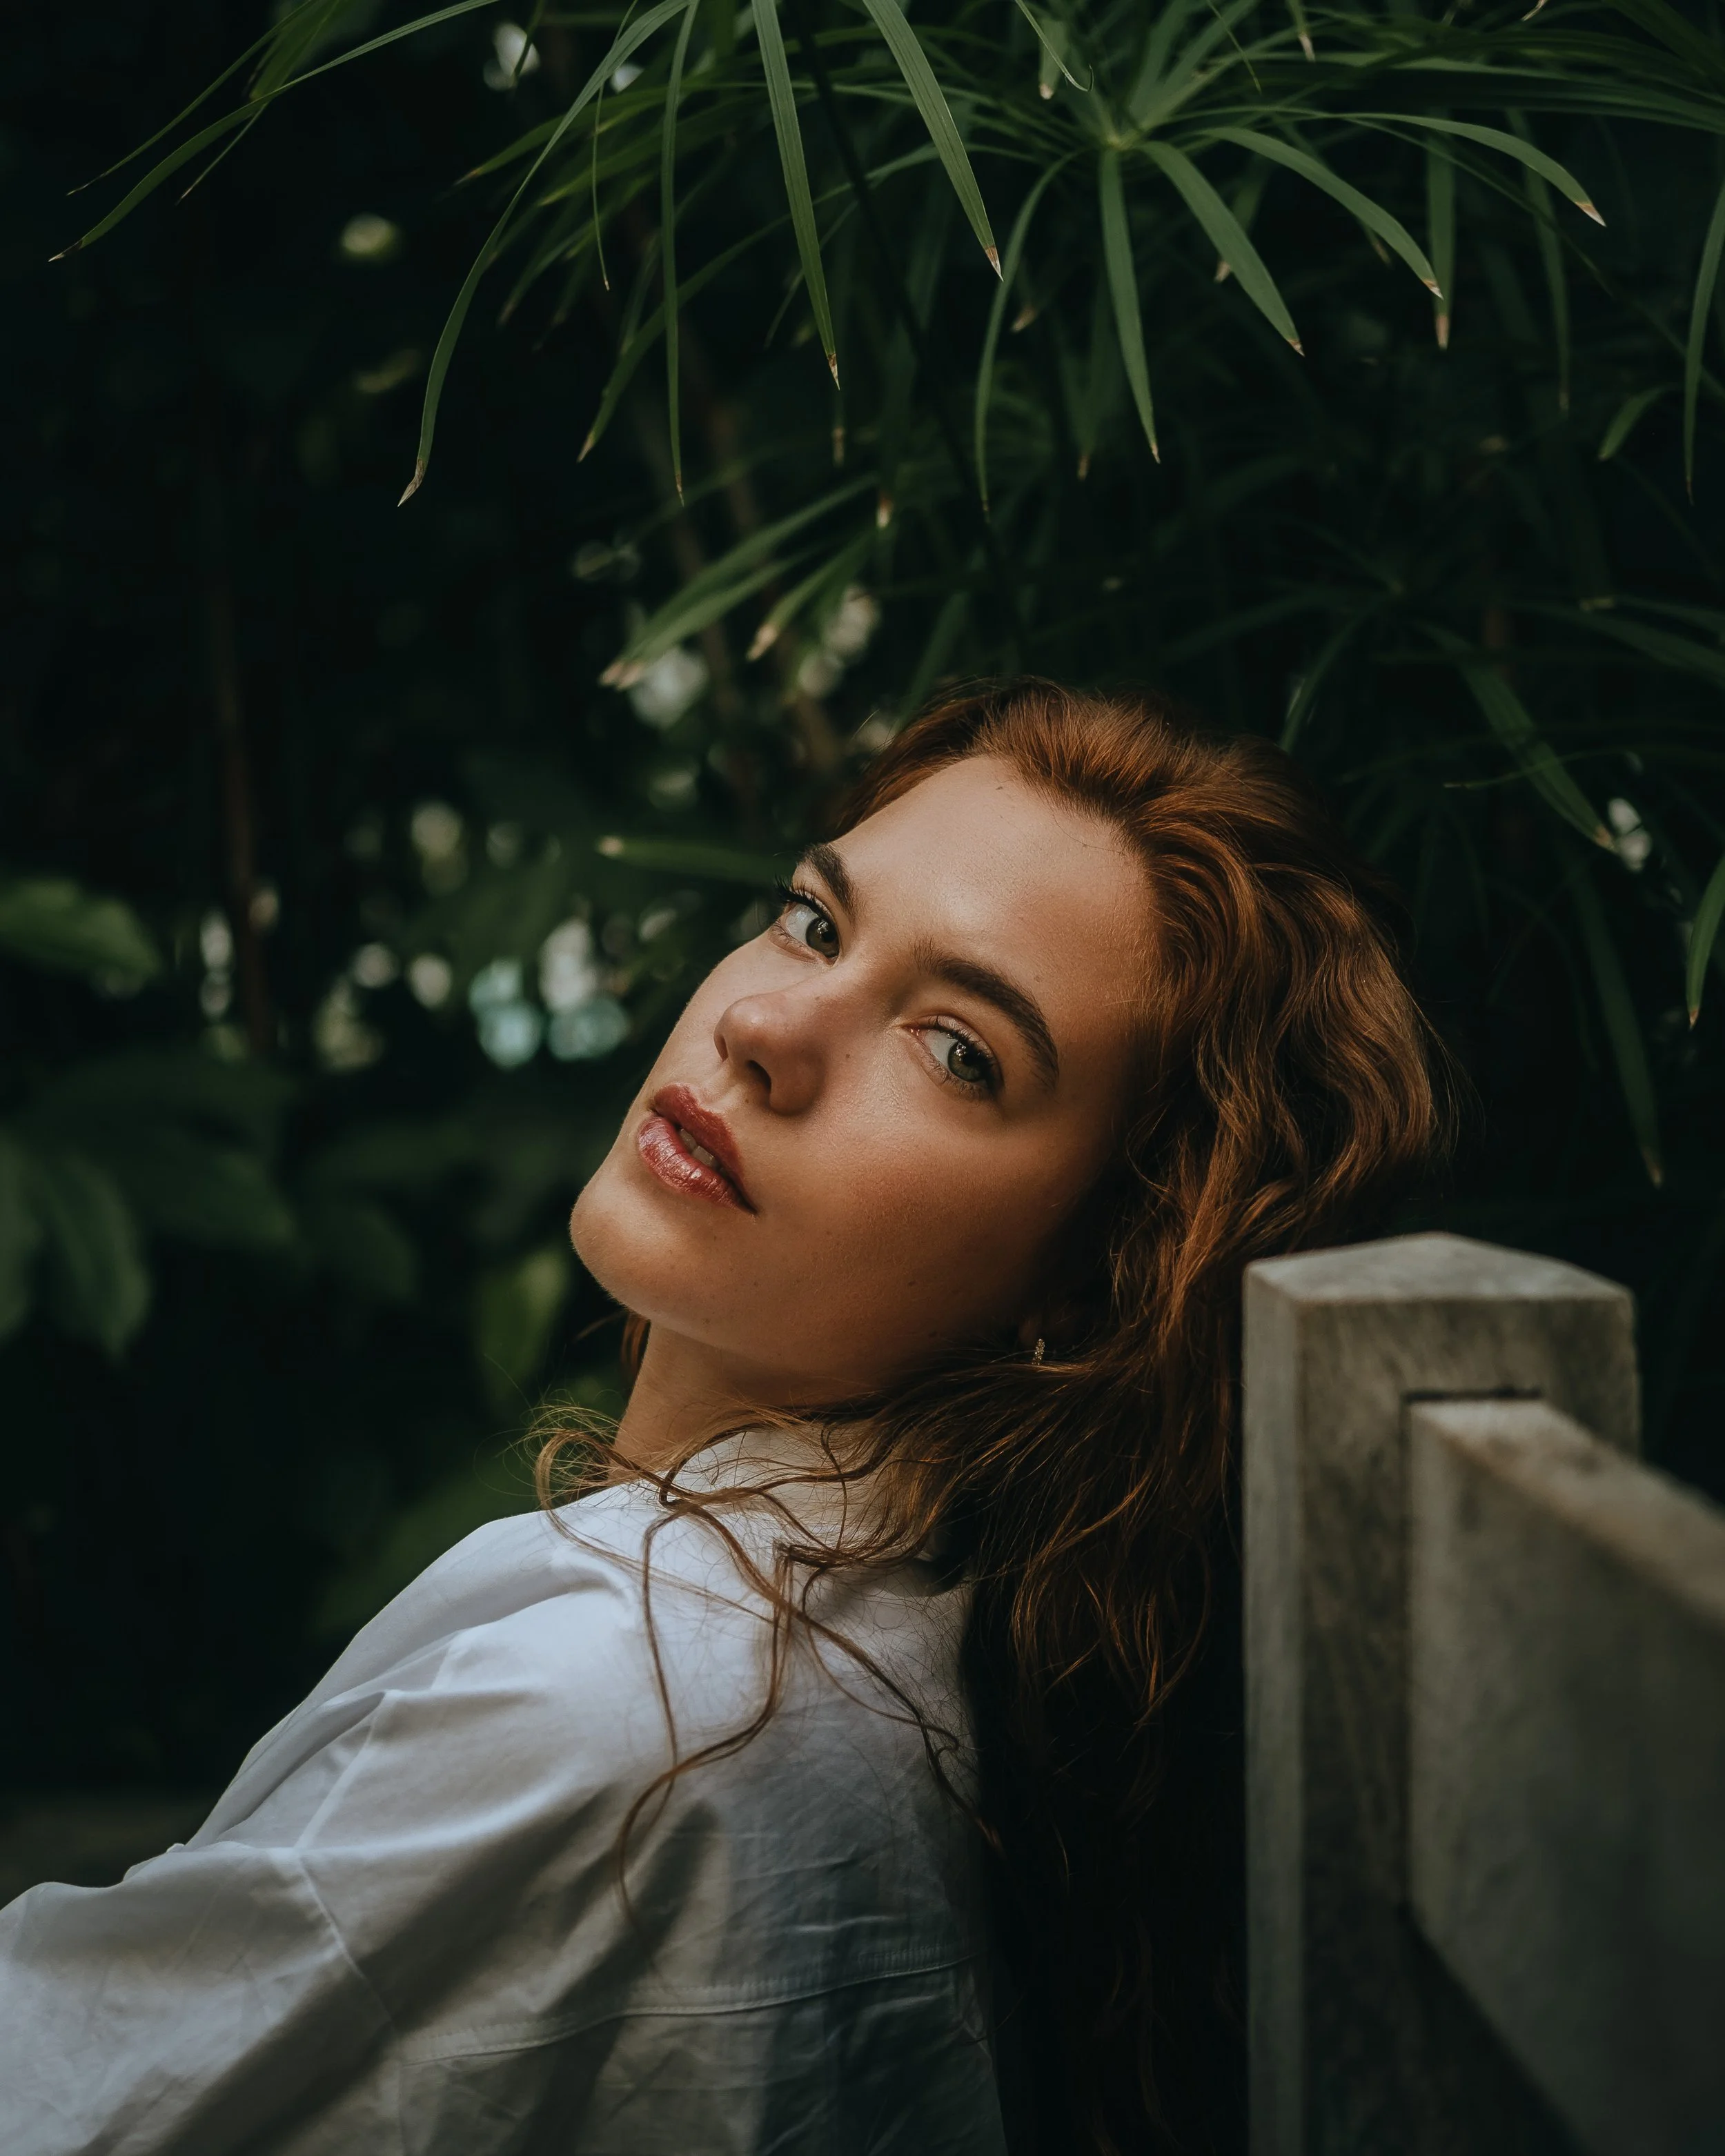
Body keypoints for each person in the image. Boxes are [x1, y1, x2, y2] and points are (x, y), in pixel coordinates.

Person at [0, 680, 1445, 2155]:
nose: (762, 1023)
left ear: (1087, 1283)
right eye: (814, 922)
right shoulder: (908, 1655)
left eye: (958, 1050)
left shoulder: (606, 1715)